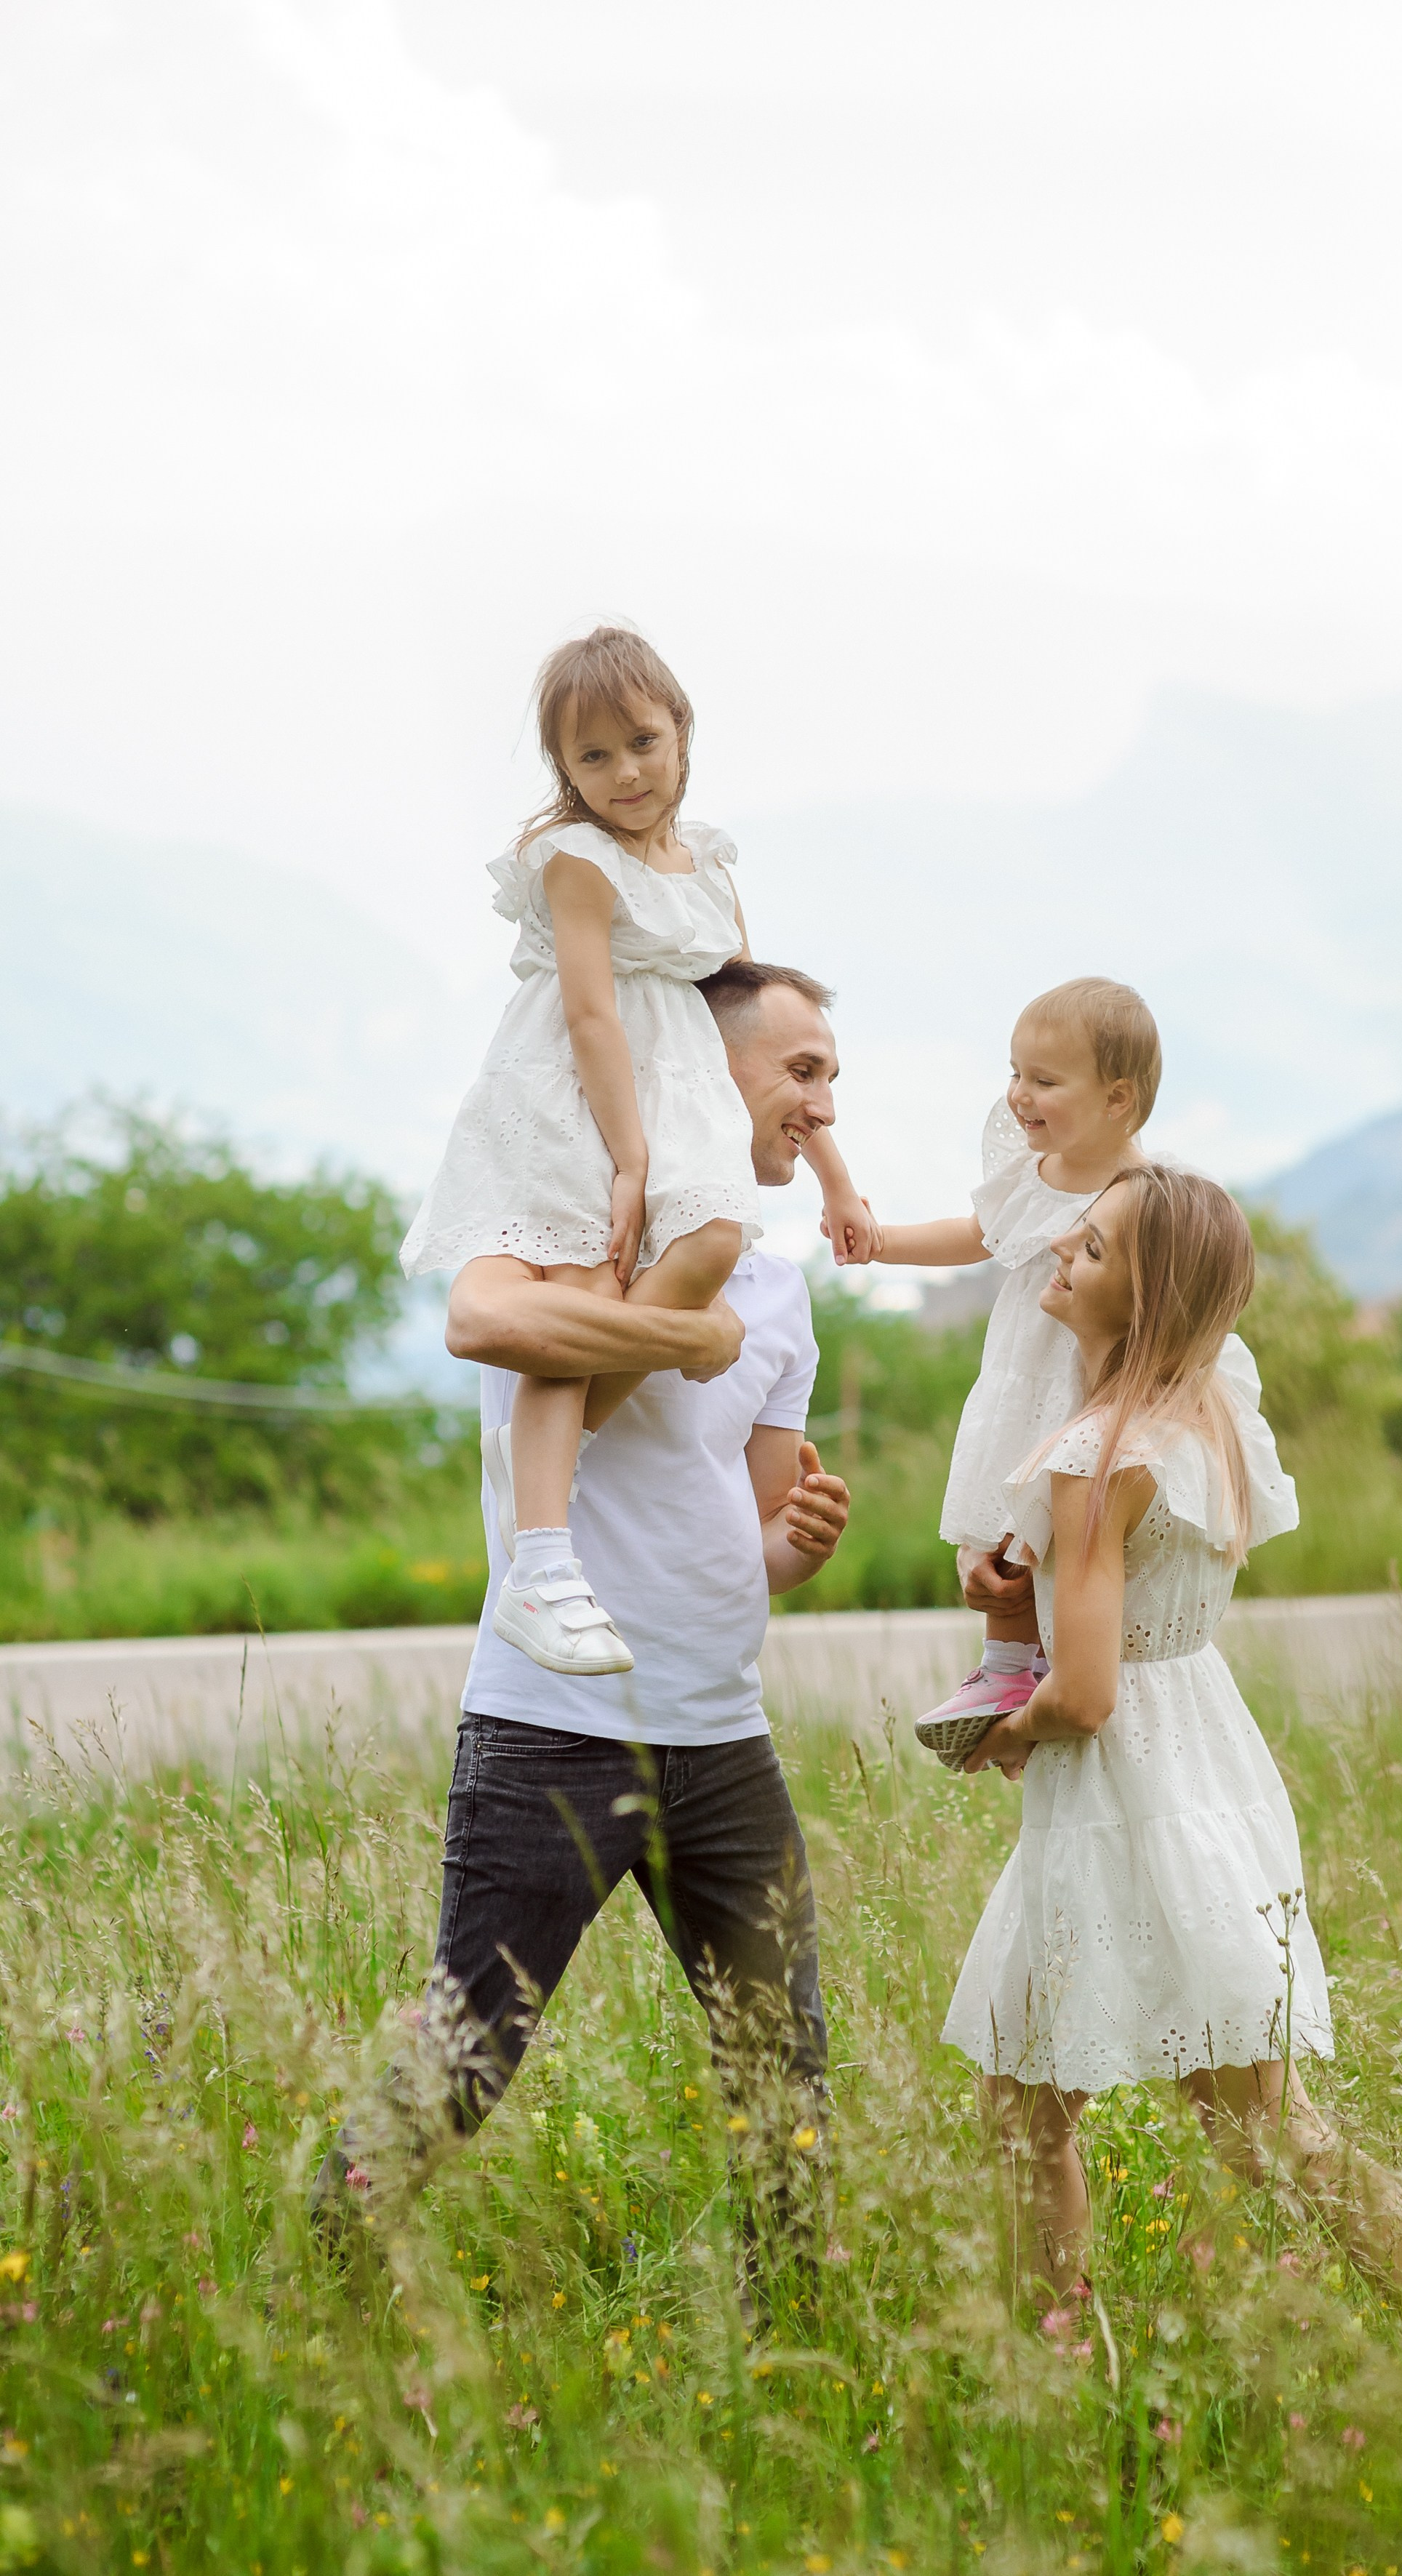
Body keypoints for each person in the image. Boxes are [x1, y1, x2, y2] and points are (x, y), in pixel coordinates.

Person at [316, 961, 853, 2251]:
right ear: (695, 1069)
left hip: (721, 1737)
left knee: (784, 2083)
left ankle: (796, 2362)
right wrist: (677, 1333)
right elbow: (474, 1316)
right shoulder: (569, 1229)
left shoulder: (778, 1293)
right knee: (466, 2059)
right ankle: (309, 2285)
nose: (823, 1109)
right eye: (802, 1072)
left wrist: (799, 1545)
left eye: (831, 1077)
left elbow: (756, 1534)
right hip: (554, 1726)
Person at [940, 1165, 1402, 2307]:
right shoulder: (1213, 1415)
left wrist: (999, 1730)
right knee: (1061, 2107)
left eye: (1093, 1249)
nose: (1062, 1252)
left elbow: (1090, 1693)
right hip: (1203, 1760)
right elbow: (1147, 1608)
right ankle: (1053, 2360)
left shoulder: (1095, 1455)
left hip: (1125, 1788)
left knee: (1249, 2130)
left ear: (1146, 1300)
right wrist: (1019, 1607)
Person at [400, 627, 871, 1677]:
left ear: (682, 732)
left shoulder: (709, 862)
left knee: (708, 1241)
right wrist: (625, 1161)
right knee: (587, 1272)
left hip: (680, 1094)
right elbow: (589, 1015)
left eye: (642, 742)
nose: (623, 773)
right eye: (592, 757)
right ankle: (541, 1555)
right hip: (584, 1098)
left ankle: (548, 1462)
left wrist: (833, 1172)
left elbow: (745, 1004)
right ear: (562, 772)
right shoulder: (575, 862)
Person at [838, 977, 1161, 1761]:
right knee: (1000, 1502)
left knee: (1060, 1522)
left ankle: (1052, 1658)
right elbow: (979, 1232)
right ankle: (1005, 1665)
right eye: (1013, 1072)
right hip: (1021, 1370)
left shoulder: (1138, 1197)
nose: (1019, 1095)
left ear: (1118, 1099)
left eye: (1044, 1081)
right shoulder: (1031, 1171)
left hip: (1085, 1380)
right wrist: (881, 1241)